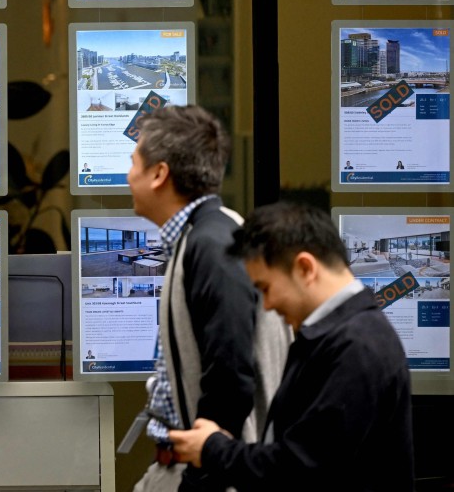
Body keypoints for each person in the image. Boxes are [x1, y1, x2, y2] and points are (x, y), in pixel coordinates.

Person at [168, 202, 413, 492]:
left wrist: (212, 448)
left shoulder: (357, 347)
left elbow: (299, 468)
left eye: (266, 288)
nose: (268, 305)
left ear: (305, 268)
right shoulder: (332, 337)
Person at [128, 106, 290, 492]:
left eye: (133, 162)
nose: (128, 175)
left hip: (215, 476)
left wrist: (203, 475)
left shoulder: (212, 245)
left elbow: (230, 377)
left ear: (159, 174)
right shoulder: (203, 236)